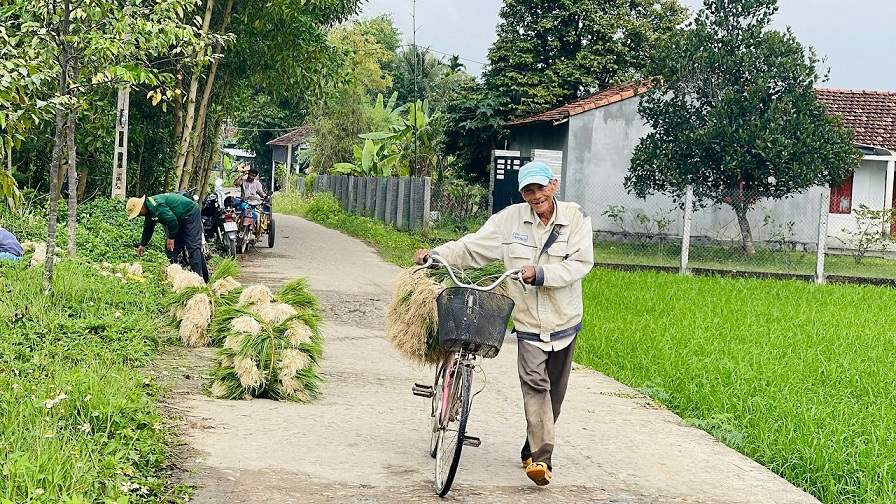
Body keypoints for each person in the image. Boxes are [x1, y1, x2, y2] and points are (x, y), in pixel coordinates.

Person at [414, 161, 594, 486]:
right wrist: (436, 254)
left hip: (565, 319)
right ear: (522, 193)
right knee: (536, 385)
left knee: (555, 396)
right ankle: (541, 461)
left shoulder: (575, 218)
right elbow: (472, 247)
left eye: (540, 188)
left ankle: (531, 446)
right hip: (527, 322)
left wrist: (541, 274)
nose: (535, 195)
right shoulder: (509, 220)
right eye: (528, 190)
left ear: (552, 186)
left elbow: (580, 263)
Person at [126, 192, 209, 282]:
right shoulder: (149, 210)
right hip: (177, 219)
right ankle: (176, 275)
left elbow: (172, 221)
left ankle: (199, 279)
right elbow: (148, 228)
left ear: (141, 208)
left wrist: (171, 238)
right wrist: (142, 244)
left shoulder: (157, 207)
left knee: (193, 247)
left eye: (138, 214)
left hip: (190, 213)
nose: (139, 216)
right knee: (170, 249)